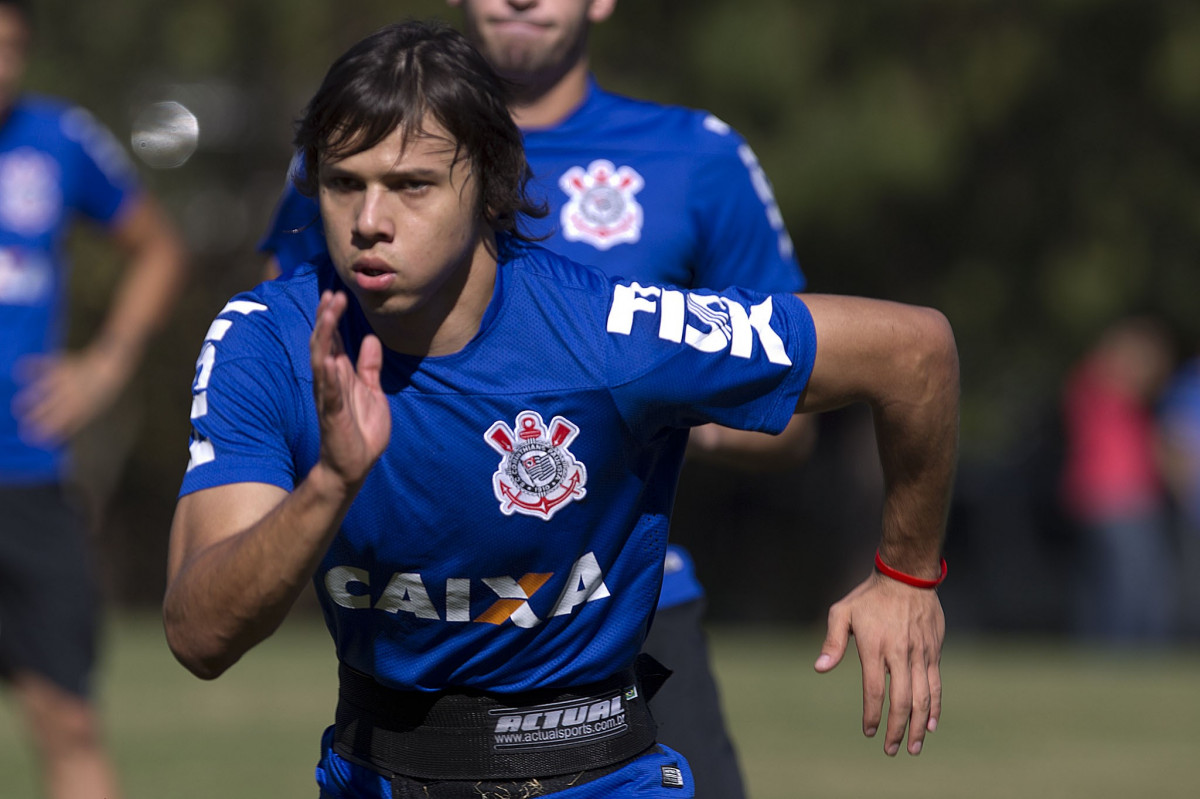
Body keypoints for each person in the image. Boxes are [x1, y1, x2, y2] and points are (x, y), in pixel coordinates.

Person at [165, 20, 956, 799]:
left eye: (411, 185)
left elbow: (914, 353)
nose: (370, 220)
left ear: (488, 181)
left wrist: (906, 577)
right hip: (370, 767)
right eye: (345, 183)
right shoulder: (266, 341)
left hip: (596, 774)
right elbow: (200, 636)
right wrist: (329, 485)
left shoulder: (614, 335)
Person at [257, 3, 814, 793]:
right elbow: (286, 361)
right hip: (422, 619)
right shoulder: (361, 142)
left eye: (413, 184)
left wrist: (671, 417)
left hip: (624, 617)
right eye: (350, 186)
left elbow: (796, 402)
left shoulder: (698, 156)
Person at [0, 2, 189, 798]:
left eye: (8, 45)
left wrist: (104, 366)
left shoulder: (58, 139)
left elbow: (159, 249)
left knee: (70, 720)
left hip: (27, 476)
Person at [1059, 316, 1176, 642]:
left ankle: (1123, 650)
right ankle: (1120, 653)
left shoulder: (1123, 399)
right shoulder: (1098, 386)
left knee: (1129, 582)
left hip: (1128, 499)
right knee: (1127, 585)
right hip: (1115, 498)